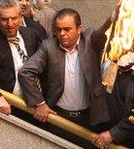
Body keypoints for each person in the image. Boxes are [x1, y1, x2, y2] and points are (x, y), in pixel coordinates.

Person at [18, 8, 110, 141]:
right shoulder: (49, 46)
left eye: (67, 29)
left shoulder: (90, 39)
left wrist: (114, 16)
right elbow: (25, 72)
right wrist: (40, 103)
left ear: (79, 29)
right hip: (59, 116)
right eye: (58, 29)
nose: (62, 34)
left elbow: (102, 32)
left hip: (90, 118)